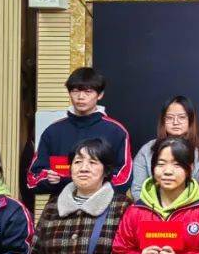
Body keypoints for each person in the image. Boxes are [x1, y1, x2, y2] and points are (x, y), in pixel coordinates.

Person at [27, 67, 133, 196]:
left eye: (88, 91)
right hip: (61, 201)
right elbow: (32, 179)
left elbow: (124, 177)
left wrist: (97, 188)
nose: (81, 97)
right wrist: (48, 179)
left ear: (100, 95)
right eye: (75, 91)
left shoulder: (116, 131)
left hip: (104, 201)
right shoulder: (53, 131)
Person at [130, 96, 199, 201]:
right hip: (152, 207)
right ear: (163, 121)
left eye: (182, 117)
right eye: (170, 118)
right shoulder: (148, 149)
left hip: (193, 208)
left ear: (191, 120)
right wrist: (156, 208)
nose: (175, 122)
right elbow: (137, 190)